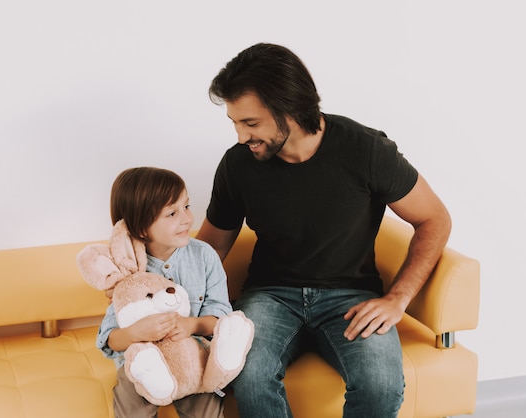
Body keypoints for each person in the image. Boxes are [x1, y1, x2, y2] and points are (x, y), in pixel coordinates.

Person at [195, 43, 452, 418]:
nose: (240, 136)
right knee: (247, 377)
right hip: (270, 296)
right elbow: (210, 249)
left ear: (290, 110)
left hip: (351, 298)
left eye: (250, 123)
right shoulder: (239, 164)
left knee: (380, 387)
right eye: (234, 123)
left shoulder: (365, 150)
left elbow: (434, 219)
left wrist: (398, 298)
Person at [97, 167, 233, 418]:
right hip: (142, 363)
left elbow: (220, 317)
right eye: (172, 213)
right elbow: (110, 339)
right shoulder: (128, 269)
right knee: (133, 408)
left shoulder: (204, 256)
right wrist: (135, 333)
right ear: (140, 228)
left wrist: (193, 325)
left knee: (206, 410)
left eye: (186, 206)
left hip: (193, 358)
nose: (186, 219)